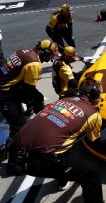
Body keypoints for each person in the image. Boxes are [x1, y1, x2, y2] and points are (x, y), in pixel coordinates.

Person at [14, 78, 106, 203]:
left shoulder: (64, 100)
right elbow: (97, 142)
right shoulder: (93, 114)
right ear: (95, 95)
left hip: (15, 150)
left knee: (65, 146)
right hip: (40, 161)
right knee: (92, 175)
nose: (101, 96)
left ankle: (62, 180)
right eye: (100, 94)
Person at [0, 39, 58, 172]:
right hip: (4, 94)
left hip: (7, 86)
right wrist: (35, 104)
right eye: (50, 55)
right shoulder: (34, 64)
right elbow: (28, 90)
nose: (50, 60)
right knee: (19, 128)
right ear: (46, 52)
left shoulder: (24, 51)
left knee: (35, 98)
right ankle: (13, 165)